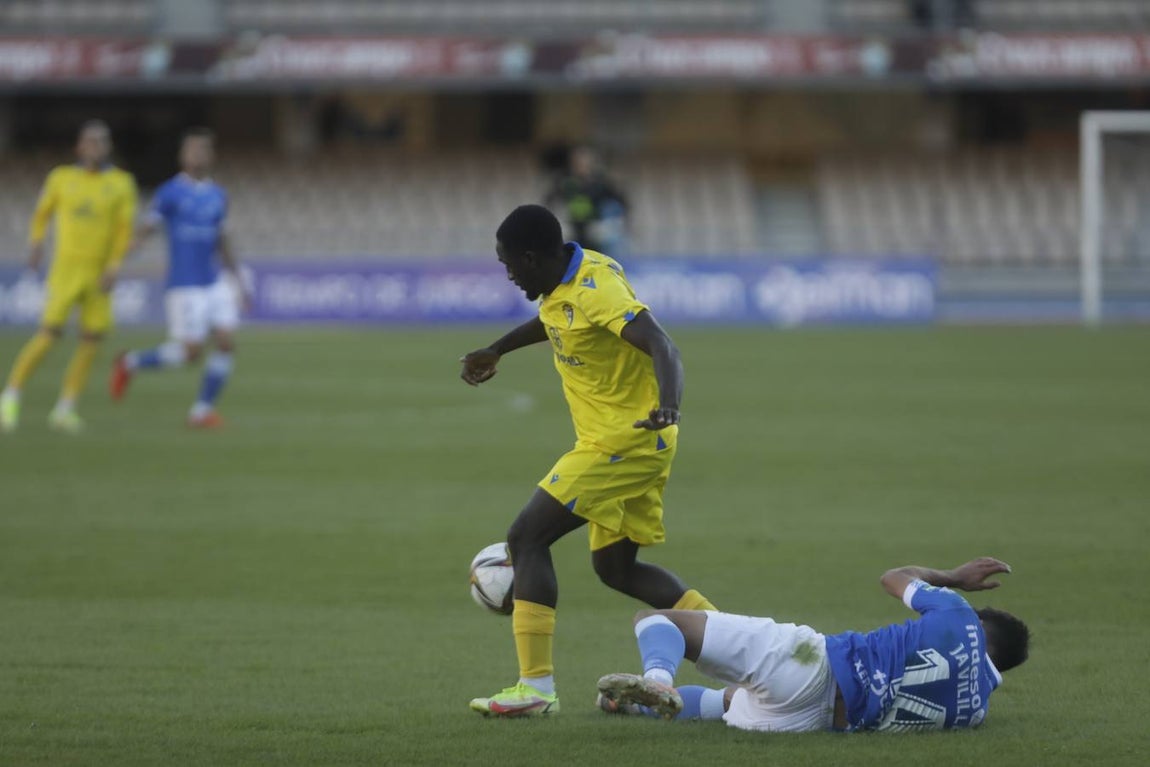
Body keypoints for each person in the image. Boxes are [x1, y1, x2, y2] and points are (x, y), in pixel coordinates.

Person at [461, 204, 717, 717]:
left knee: (526, 537)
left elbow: (662, 344)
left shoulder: (597, 287)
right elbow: (556, 321)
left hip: (626, 441)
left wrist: (669, 405)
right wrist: (498, 348)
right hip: (624, 443)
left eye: (509, 264)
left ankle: (535, 688)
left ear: (532, 258)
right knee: (616, 569)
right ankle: (746, 647)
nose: (508, 274)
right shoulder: (563, 285)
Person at [597, 556, 1029, 732]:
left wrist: (952, 579)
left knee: (657, 619)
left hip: (811, 661)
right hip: (809, 723)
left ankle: (657, 681)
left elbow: (894, 579)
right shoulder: (976, 712)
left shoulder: (959, 617)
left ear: (979, 621)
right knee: (728, 701)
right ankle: (633, 705)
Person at [0, 120, 138, 434]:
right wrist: (35, 244)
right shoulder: (61, 178)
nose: (96, 147)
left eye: (102, 142)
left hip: (99, 272)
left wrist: (115, 266)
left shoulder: (121, 183)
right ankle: (11, 394)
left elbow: (123, 231)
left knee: (92, 340)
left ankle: (66, 407)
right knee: (49, 333)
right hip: (66, 268)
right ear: (79, 146)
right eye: (90, 141)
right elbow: (41, 214)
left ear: (109, 147)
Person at [109, 127, 249, 428]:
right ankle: (129, 362)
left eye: (204, 150)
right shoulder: (170, 193)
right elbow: (145, 231)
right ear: (182, 156)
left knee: (226, 342)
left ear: (211, 156)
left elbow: (223, 241)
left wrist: (238, 281)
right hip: (184, 285)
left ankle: (201, 412)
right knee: (190, 354)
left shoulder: (218, 195)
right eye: (192, 150)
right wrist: (116, 264)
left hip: (213, 282)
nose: (198, 155)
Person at [544, 146, 628, 255]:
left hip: (595, 230)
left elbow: (622, 202)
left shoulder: (601, 184)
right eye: (578, 162)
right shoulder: (564, 182)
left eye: (585, 162)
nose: (582, 166)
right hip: (572, 229)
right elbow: (549, 202)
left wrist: (609, 224)